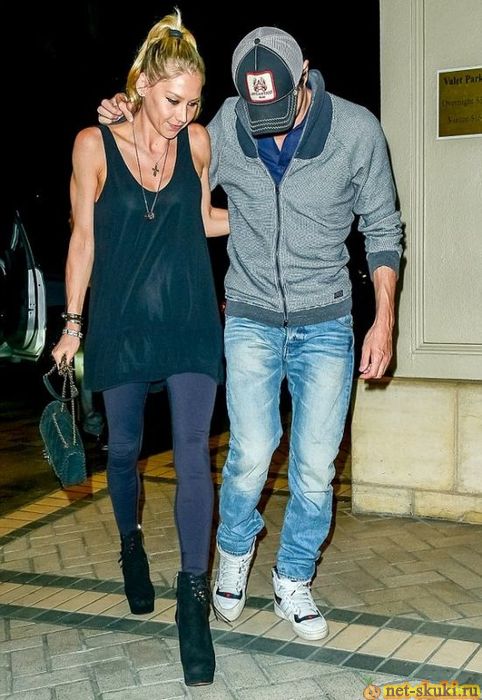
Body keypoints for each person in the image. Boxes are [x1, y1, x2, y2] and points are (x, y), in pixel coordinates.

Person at [98, 26, 402, 642]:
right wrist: (127, 117)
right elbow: (165, 172)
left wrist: (384, 319)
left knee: (314, 468)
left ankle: (293, 577)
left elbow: (382, 228)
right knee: (250, 454)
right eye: (253, 108)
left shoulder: (357, 131)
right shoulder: (225, 126)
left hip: (327, 319)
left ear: (304, 75)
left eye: (279, 106)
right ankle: (234, 553)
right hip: (250, 315)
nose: (267, 123)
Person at [53, 9, 229, 687]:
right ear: (143, 85)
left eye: (194, 104)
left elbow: (203, 219)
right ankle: (130, 546)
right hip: (121, 321)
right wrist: (73, 324)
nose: (184, 116)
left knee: (192, 454)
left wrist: (269, 214)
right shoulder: (93, 145)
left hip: (189, 319)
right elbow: (82, 238)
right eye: (173, 101)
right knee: (123, 450)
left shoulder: (199, 144)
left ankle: (192, 603)